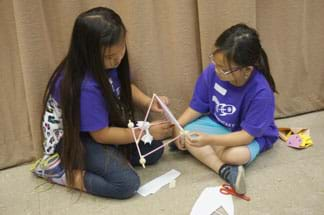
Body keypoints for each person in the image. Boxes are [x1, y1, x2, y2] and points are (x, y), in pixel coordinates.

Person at [31, 7, 172, 199]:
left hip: (96, 129)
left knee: (154, 149)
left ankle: (111, 157)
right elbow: (101, 136)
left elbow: (123, 86)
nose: (117, 59)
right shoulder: (85, 86)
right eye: (109, 56)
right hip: (72, 140)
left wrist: (148, 102)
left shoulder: (109, 62)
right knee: (126, 183)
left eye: (121, 49)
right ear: (87, 53)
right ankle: (57, 172)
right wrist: (145, 130)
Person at [173, 23, 278, 194]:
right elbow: (197, 106)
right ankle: (225, 170)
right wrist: (177, 126)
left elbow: (245, 136)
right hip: (220, 125)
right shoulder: (212, 72)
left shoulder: (261, 93)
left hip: (250, 136)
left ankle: (221, 158)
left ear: (247, 70)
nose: (218, 71)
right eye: (215, 62)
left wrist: (209, 140)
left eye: (225, 70)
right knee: (187, 133)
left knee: (233, 155)